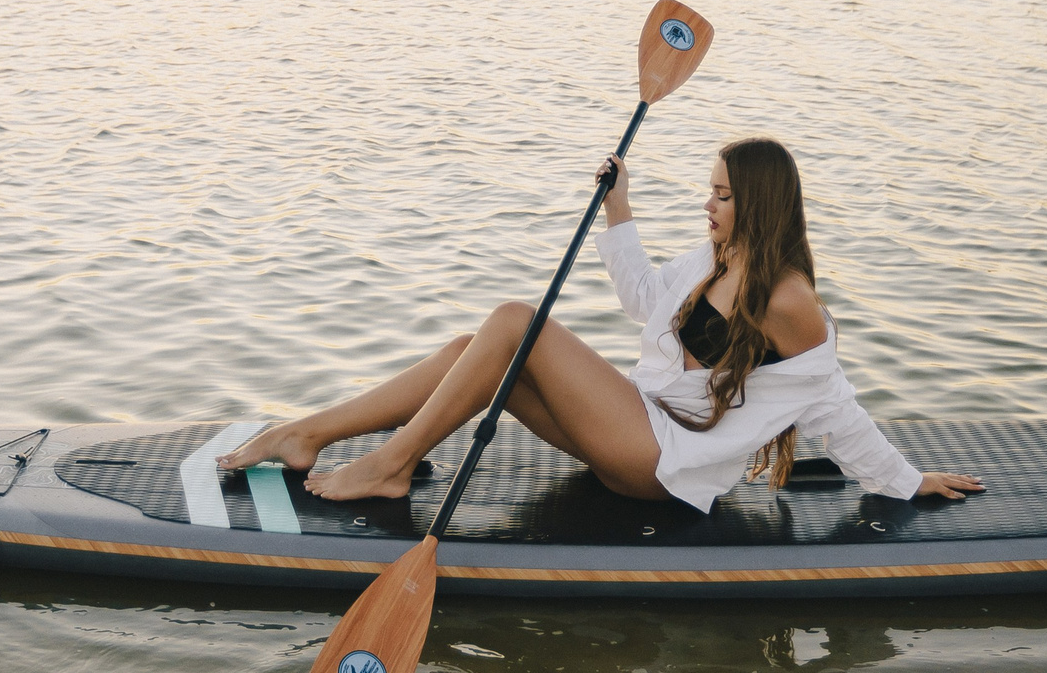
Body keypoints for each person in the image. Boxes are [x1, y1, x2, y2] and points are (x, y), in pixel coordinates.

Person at [216, 137, 984, 511]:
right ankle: (308, 433)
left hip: (661, 463)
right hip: (639, 423)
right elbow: (644, 301)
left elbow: (831, 403)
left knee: (518, 322)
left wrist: (906, 481)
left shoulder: (787, 298)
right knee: (470, 351)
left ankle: (390, 465)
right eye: (708, 192)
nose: (707, 204)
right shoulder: (713, 258)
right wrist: (620, 202)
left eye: (719, 194)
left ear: (756, 200)